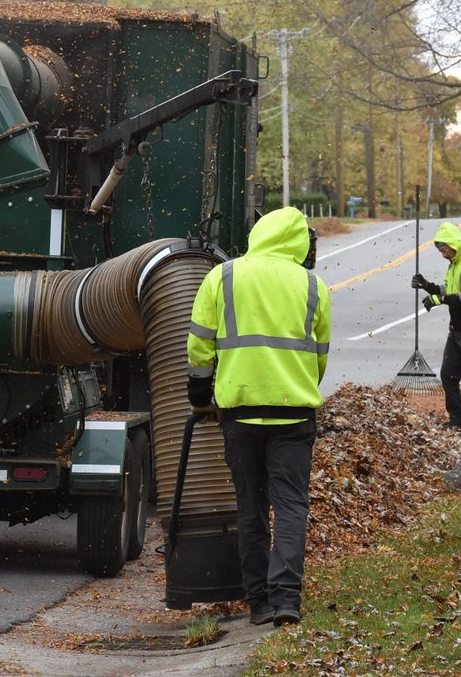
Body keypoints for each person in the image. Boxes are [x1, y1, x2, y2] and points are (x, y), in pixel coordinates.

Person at [186, 207, 331, 627]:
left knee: (250, 507)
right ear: (299, 243)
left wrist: (201, 390)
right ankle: (287, 598)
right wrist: (295, 382)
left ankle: (259, 602)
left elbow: (199, 343)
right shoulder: (312, 285)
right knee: (290, 507)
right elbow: (319, 357)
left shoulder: (224, 276)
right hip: (294, 413)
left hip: (240, 413)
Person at [411, 222, 461, 426]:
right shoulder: (454, 262)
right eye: (441, 251)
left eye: (444, 250)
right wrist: (427, 286)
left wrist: (440, 300)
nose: (443, 255)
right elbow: (447, 289)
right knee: (448, 374)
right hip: (455, 329)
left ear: (453, 244)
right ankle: (457, 417)